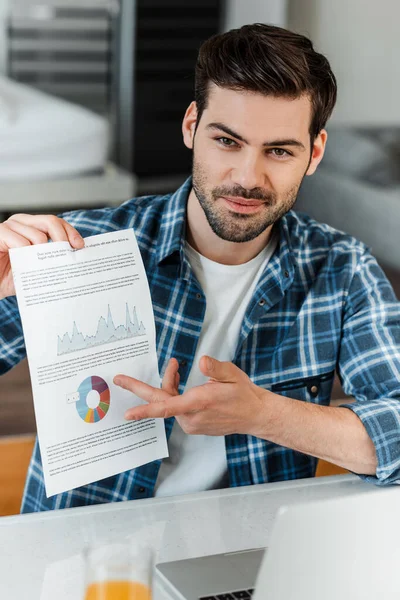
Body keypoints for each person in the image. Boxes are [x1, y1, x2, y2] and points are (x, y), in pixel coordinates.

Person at [1, 24, 399, 513]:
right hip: (84, 556)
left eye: (278, 151)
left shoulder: (344, 271)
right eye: (227, 141)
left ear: (314, 153)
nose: (247, 178)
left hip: (249, 557)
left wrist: (262, 414)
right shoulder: (80, 247)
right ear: (191, 126)